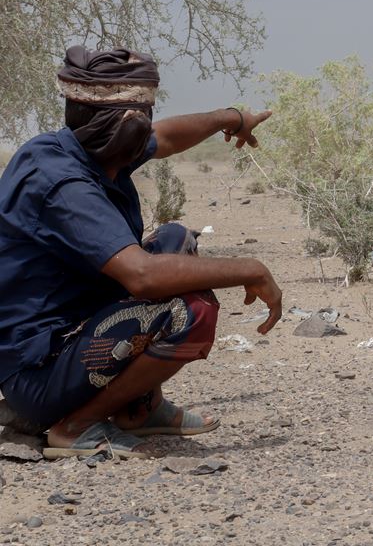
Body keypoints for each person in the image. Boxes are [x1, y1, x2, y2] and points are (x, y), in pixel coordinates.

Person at [0, 46, 283, 458]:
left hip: (74, 330)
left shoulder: (87, 149)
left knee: (176, 240)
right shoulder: (63, 184)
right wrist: (251, 268)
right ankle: (74, 426)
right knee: (192, 311)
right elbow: (142, 277)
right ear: (127, 126)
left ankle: (139, 409)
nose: (148, 130)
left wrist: (232, 118)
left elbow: (166, 137)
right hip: (40, 370)